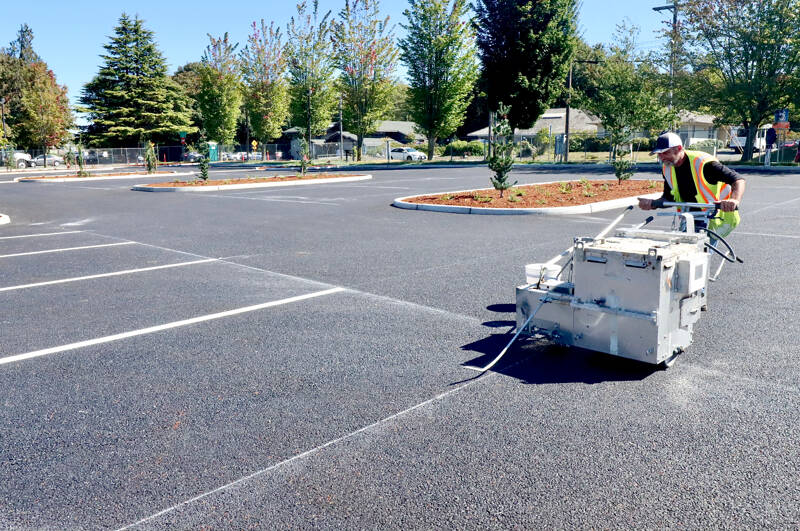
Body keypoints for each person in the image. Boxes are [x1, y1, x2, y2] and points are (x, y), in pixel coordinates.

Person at [639, 132, 745, 237]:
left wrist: (734, 200)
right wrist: (653, 203)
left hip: (716, 216)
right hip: (689, 218)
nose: (661, 158)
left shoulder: (704, 164)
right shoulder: (668, 168)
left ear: (679, 148)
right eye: (659, 154)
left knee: (703, 251)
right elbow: (669, 198)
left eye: (665, 153)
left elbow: (738, 180)